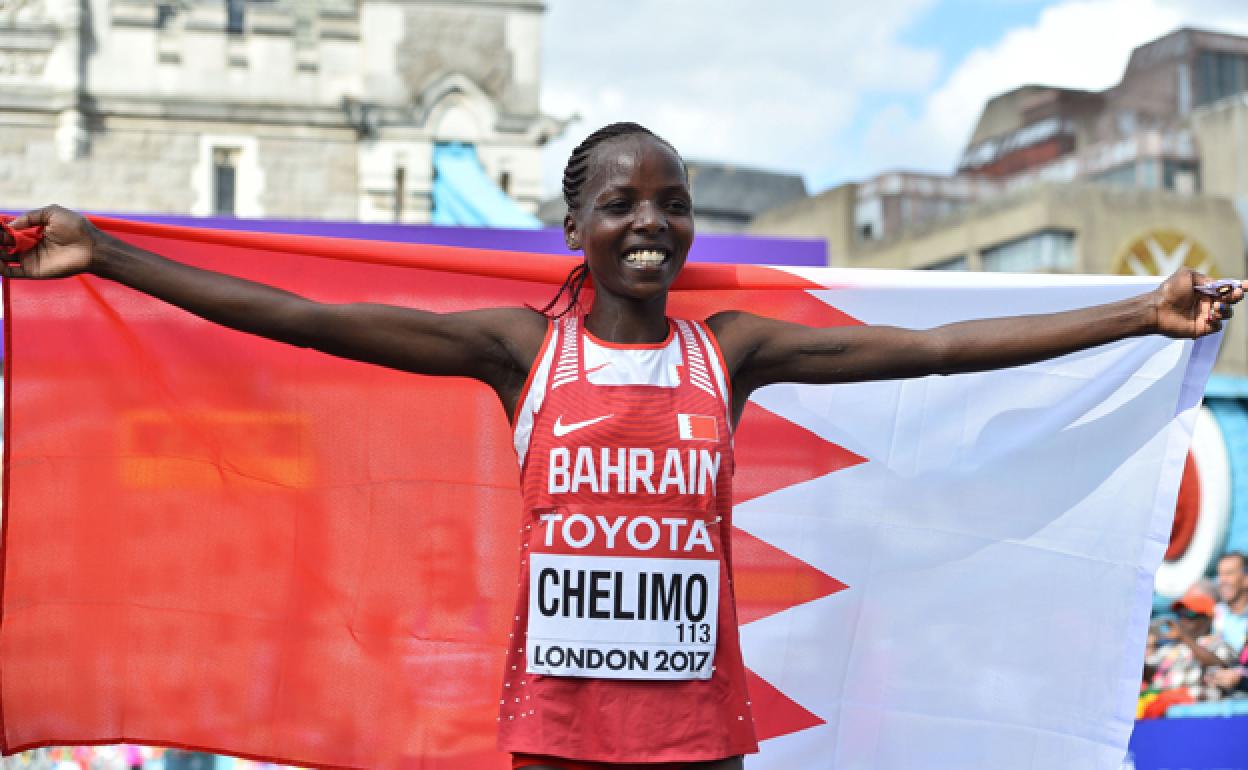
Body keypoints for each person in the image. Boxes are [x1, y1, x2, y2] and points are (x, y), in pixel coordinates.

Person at [1, 122, 1243, 770]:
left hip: (702, 730)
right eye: (622, 203)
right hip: (559, 725)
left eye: (673, 203)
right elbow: (312, 320)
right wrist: (106, 253)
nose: (652, 222)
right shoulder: (519, 349)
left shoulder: (738, 350)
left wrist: (1139, 312)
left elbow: (931, 354)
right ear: (575, 225)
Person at [1214, 551, 1248, 652]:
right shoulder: (1217, 612)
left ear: (1246, 579)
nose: (1222, 580)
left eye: (1229, 574)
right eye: (1220, 574)